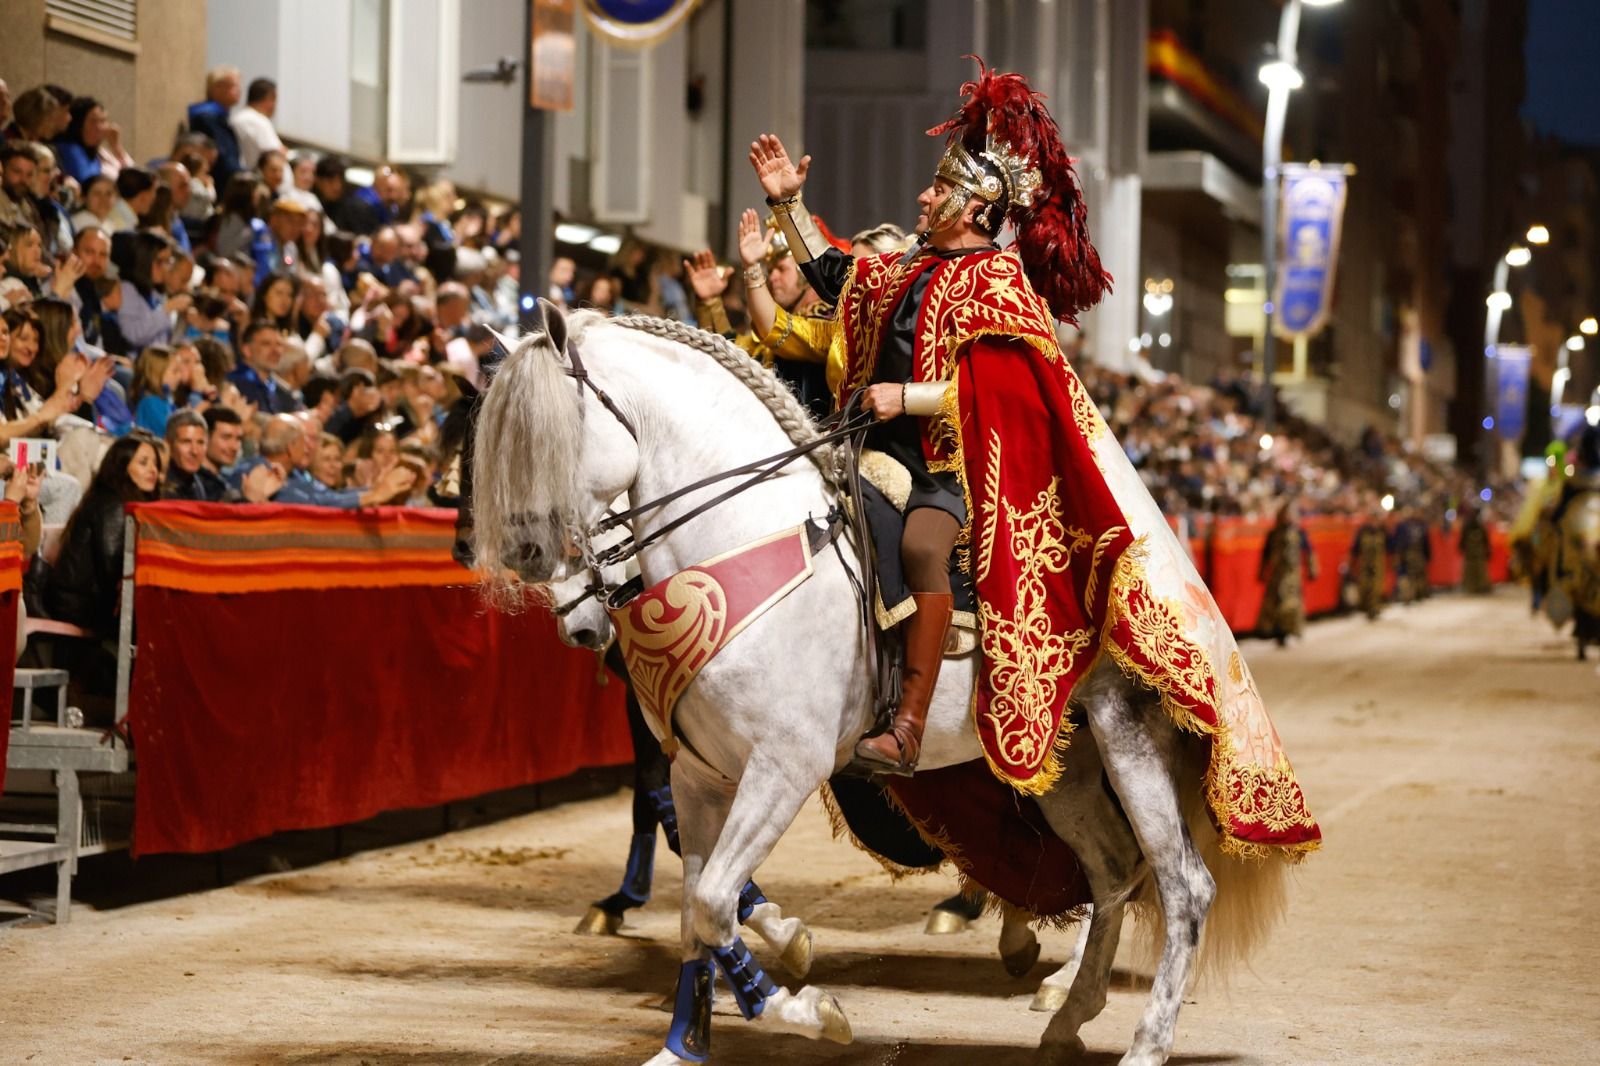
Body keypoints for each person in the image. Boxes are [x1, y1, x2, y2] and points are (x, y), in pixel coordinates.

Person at [744, 62, 1122, 774]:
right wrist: (789, 206)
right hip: (867, 449)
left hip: (951, 470)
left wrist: (906, 397)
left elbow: (1008, 396)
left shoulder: (1001, 282)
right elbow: (834, 274)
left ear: (976, 207)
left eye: (939, 188)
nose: (923, 195)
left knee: (922, 548)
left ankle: (910, 722)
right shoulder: (906, 268)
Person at [247, 413, 414, 508]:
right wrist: (372, 496)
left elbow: (329, 495)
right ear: (291, 447)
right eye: (304, 440)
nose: (309, 448)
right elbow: (314, 503)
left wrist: (374, 489)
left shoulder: (295, 475)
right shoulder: (259, 471)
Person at [1549, 425, 1600, 660]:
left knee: (1574, 578)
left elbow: (1559, 514)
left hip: (1580, 546)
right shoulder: (1575, 481)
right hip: (1580, 543)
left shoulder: (1574, 481)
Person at [1256, 500, 1318, 647]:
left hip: (1292, 576)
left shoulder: (1299, 533)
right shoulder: (1273, 534)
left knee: (1291, 604)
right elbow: (1265, 555)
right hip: (1277, 575)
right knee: (1276, 603)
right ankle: (1278, 632)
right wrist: (1262, 571)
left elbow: (1309, 552)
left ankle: (1291, 629)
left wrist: (1312, 569)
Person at [114, 230, 185, 354]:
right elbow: (132, 335)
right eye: (160, 262)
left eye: (168, 261)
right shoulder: (127, 289)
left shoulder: (156, 292)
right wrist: (167, 309)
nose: (165, 268)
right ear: (144, 260)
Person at [227, 320, 301, 414]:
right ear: (247, 350)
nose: (276, 350)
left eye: (279, 344)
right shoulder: (234, 384)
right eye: (266, 344)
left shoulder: (280, 390)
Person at [187, 66, 243, 187]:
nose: (239, 90)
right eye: (233, 86)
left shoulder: (223, 117)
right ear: (216, 88)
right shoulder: (206, 117)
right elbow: (223, 160)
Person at [229, 77, 284, 171]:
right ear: (270, 98)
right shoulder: (258, 120)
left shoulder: (236, 118)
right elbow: (274, 152)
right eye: (275, 100)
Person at [1349, 504, 1390, 621]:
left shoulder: (1382, 530)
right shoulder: (1363, 530)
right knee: (1365, 586)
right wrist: (1352, 562)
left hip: (1378, 564)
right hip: (1365, 564)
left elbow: (1389, 546)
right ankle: (1366, 608)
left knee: (1376, 587)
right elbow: (1355, 548)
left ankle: (1375, 609)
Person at [1458, 505, 1492, 596]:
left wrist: (1461, 547)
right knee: (1477, 570)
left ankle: (1475, 587)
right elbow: (1485, 539)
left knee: (1476, 570)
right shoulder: (1477, 525)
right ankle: (1477, 587)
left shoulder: (1471, 525)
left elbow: (1463, 539)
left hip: (1474, 552)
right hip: (1475, 552)